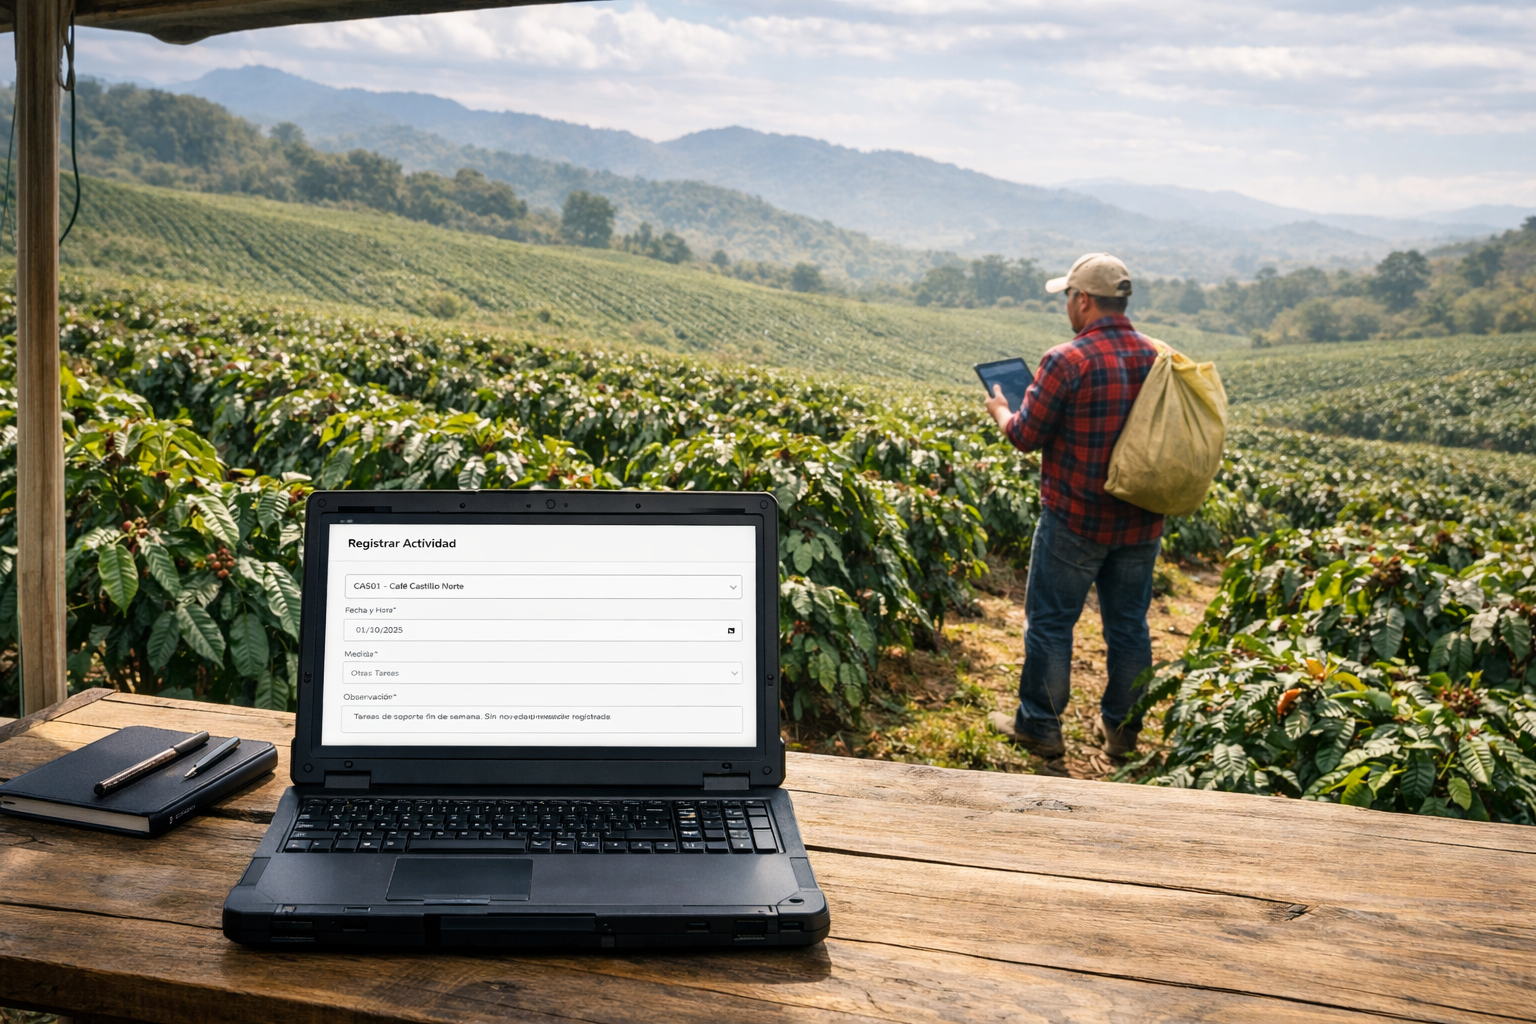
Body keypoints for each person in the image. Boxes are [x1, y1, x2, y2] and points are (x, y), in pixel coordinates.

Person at [984, 253, 1162, 774]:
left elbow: (1025, 434)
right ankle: (1123, 732)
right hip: (1141, 520)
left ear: (1083, 300)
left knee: (1052, 624)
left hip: (1075, 520)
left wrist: (1000, 408)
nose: (1067, 305)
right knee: (1129, 626)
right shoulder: (1156, 356)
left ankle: (1039, 727)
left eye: (1068, 297)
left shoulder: (1068, 359)